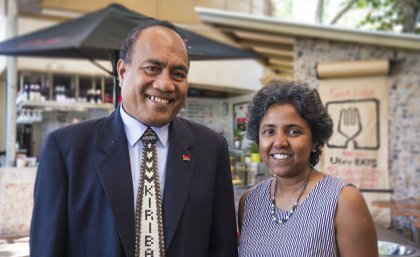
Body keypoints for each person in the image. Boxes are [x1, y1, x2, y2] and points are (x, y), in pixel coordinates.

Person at [30, 20, 238, 257]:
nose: (165, 84)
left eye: (178, 74)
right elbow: (47, 249)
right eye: (152, 68)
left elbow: (223, 247)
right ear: (122, 71)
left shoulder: (211, 148)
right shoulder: (66, 149)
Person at [238, 81, 378, 257]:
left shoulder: (343, 201)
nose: (279, 142)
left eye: (293, 131)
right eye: (269, 131)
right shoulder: (250, 201)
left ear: (314, 140)